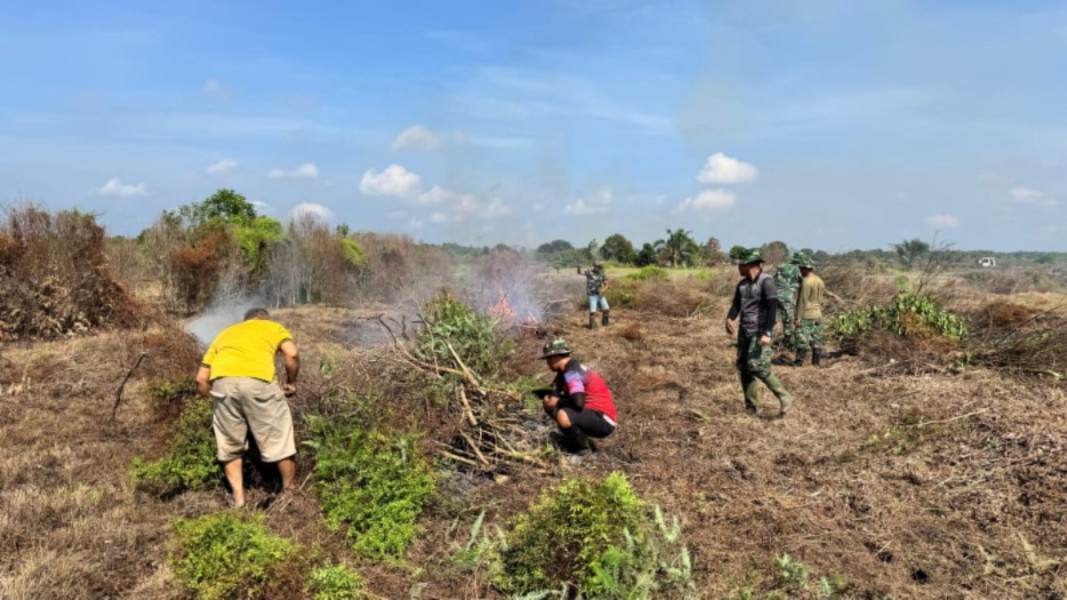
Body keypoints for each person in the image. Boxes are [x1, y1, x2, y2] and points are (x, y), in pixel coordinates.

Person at [195, 308, 300, 508]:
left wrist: (206, 403)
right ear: (265, 319)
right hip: (258, 383)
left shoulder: (226, 333)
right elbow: (292, 354)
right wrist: (291, 382)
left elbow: (201, 379)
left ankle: (239, 499)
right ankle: (290, 493)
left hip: (223, 385)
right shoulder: (272, 328)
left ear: (245, 321)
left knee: (230, 446)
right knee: (278, 439)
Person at [724, 249, 794, 417]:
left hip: (760, 330)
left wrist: (767, 333)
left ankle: (785, 396)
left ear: (750, 265)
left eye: (740, 264)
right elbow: (736, 306)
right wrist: (730, 319)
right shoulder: (742, 285)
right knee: (744, 368)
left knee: (757, 366)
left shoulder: (766, 282)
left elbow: (772, 308)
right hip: (745, 330)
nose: (738, 267)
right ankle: (751, 407)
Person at [538, 338, 617, 456]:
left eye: (548, 359)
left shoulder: (572, 372)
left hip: (604, 420)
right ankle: (573, 438)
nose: (547, 363)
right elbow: (550, 391)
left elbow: (578, 402)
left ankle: (582, 450)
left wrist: (558, 402)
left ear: (555, 357)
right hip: (592, 415)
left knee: (563, 414)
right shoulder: (562, 373)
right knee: (549, 401)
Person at [794, 257, 827, 366]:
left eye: (801, 268)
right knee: (816, 339)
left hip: (806, 314)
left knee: (801, 339)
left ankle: (799, 363)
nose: (799, 270)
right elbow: (821, 298)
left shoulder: (806, 282)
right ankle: (816, 364)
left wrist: (798, 317)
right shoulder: (819, 280)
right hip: (817, 313)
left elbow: (802, 300)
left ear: (805, 268)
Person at [772, 252, 804, 358]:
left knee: (772, 321)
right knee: (787, 323)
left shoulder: (780, 266)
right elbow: (804, 283)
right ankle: (788, 346)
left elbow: (772, 279)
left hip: (774, 296)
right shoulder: (797, 270)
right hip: (787, 298)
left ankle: (768, 343)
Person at [577, 260, 610, 329]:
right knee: (593, 312)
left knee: (606, 309)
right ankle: (592, 327)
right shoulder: (589, 272)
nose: (598, 268)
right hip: (592, 295)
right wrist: (579, 266)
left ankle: (605, 325)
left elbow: (607, 284)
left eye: (599, 267)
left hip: (600, 295)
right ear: (594, 266)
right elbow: (579, 273)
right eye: (597, 266)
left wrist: (603, 290)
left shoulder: (602, 273)